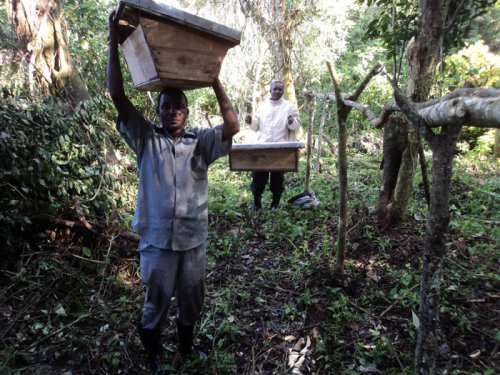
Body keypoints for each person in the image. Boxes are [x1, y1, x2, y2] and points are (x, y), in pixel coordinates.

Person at [107, 10, 240, 374]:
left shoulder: (202, 141)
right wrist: (111, 40)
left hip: (193, 240)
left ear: (186, 110)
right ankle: (153, 356)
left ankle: (185, 348)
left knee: (192, 302)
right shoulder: (145, 138)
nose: (173, 112)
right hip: (157, 241)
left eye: (178, 107)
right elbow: (117, 94)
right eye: (166, 107)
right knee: (157, 302)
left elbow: (232, 125)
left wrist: (214, 80)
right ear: (159, 110)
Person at [245, 81, 301, 210]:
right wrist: (250, 121)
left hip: (280, 148)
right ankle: (257, 203)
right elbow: (256, 126)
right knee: (258, 177)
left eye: (280, 90)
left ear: (283, 91)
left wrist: (292, 121)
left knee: (277, 178)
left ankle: (275, 204)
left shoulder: (289, 107)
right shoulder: (262, 106)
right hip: (263, 147)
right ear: (270, 90)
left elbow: (297, 124)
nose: (277, 91)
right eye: (275, 89)